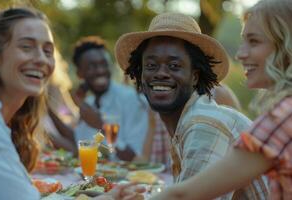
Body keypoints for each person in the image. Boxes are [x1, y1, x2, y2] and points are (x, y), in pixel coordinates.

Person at [0, 7, 145, 200]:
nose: (40, 59)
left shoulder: (129, 99)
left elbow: (134, 156)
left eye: (48, 51)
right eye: (26, 47)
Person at [115, 12, 268, 199]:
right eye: (151, 65)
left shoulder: (204, 124)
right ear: (140, 74)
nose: (161, 73)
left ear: (195, 76)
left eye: (174, 66)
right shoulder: (187, 122)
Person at [148, 0, 292, 199]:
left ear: (286, 45)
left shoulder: (282, 118)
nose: (240, 54)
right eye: (151, 65)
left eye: (254, 41)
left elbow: (183, 196)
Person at [71, 36, 149, 161]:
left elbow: (135, 158)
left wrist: (101, 125)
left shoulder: (130, 99)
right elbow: (79, 144)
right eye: (91, 67)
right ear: (79, 74)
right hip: (97, 177)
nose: (100, 71)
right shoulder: (89, 103)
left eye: (104, 64)